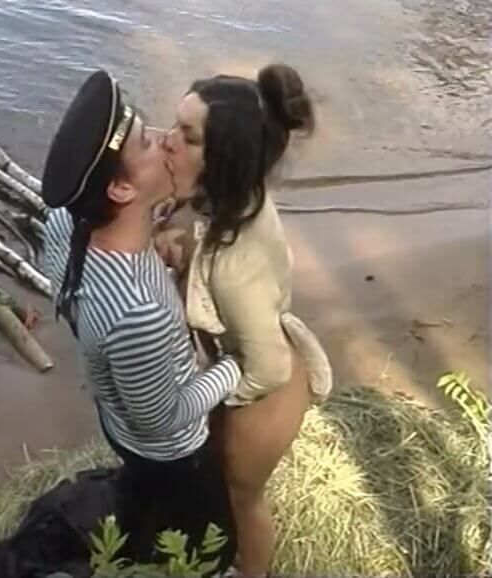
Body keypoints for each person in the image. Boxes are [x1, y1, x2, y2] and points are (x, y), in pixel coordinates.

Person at [39, 69, 243, 574]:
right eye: (146, 142)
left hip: (116, 421)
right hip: (171, 451)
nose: (165, 138)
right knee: (210, 547)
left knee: (146, 498)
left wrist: (153, 228)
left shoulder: (66, 223)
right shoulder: (139, 313)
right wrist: (236, 366)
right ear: (120, 189)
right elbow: (165, 417)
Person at [155, 64, 333, 578]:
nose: (167, 141)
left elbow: (268, 368)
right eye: (174, 125)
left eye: (188, 136)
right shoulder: (236, 197)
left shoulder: (235, 269)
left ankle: (252, 571)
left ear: (222, 159)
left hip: (266, 388)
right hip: (252, 357)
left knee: (241, 493)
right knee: (218, 479)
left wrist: (206, 396)